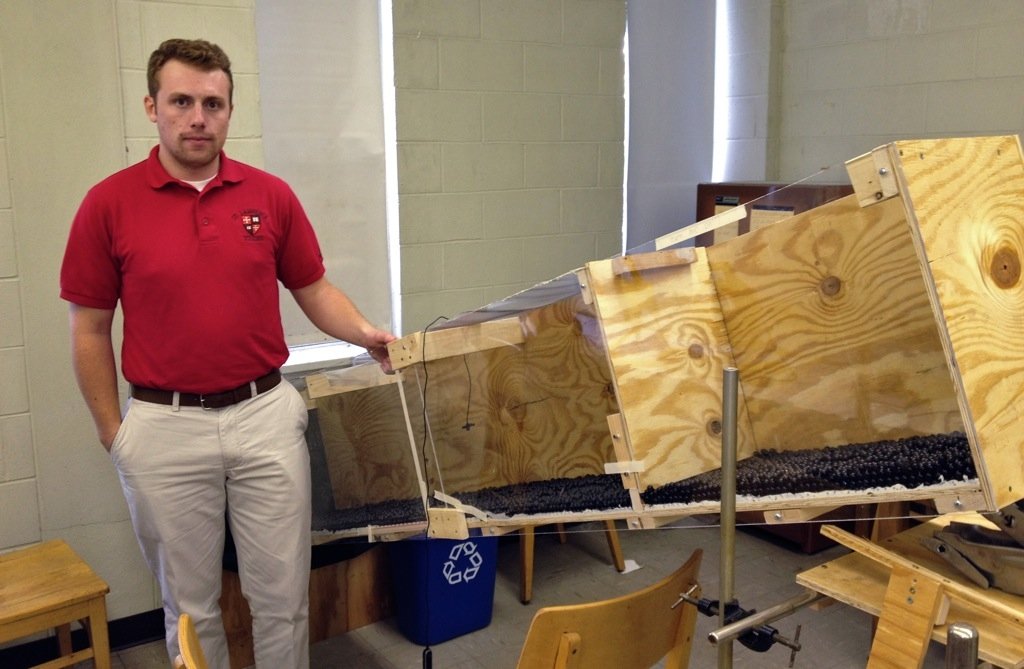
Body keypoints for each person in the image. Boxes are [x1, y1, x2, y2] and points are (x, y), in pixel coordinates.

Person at [60, 38, 395, 669]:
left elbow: (313, 288)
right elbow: (89, 329)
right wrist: (114, 434)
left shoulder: (270, 196)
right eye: (181, 101)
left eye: (212, 104)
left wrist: (364, 333)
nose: (198, 118)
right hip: (163, 427)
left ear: (230, 111)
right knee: (191, 609)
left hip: (263, 415)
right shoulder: (108, 204)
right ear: (152, 107)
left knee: (283, 602)